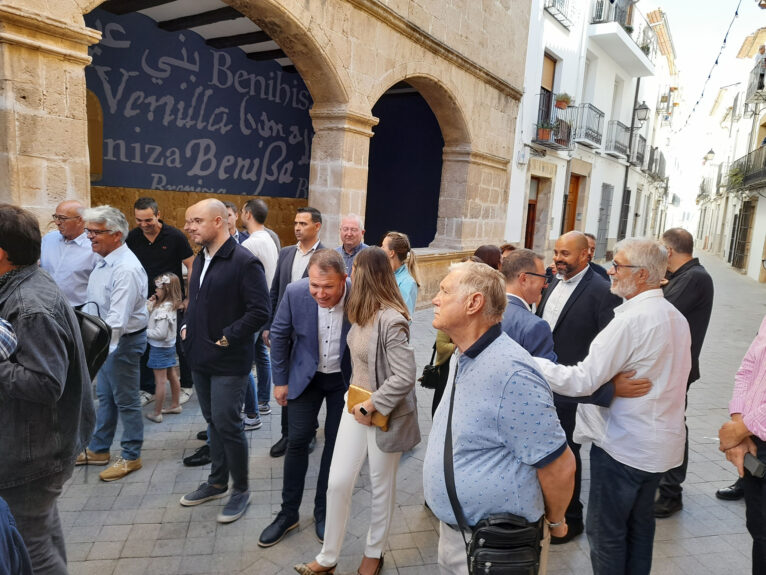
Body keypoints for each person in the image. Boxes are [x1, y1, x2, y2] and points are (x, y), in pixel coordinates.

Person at [534, 238, 691, 575]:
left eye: (618, 266)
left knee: (607, 535)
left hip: (625, 446)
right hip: (656, 445)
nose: (610, 271)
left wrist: (532, 364)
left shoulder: (630, 321)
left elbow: (581, 381)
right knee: (639, 529)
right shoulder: (673, 316)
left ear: (644, 274)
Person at [422, 260, 575, 575]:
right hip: (458, 537)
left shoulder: (512, 373)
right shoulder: (462, 353)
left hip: (498, 548)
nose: (435, 299)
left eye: (444, 291)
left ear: (474, 303)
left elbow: (559, 465)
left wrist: (556, 522)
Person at [294, 247, 419, 575]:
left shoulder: (392, 319)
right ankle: (328, 557)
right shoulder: (360, 311)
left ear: (367, 276)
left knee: (381, 487)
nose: (349, 275)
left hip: (382, 414)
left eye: (354, 271)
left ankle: (373, 554)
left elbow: (405, 376)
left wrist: (372, 403)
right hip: (356, 406)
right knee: (337, 483)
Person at [0, 203, 95, 574]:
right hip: (36, 446)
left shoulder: (30, 305)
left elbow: (45, 383)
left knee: (31, 545)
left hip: (33, 452)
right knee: (41, 532)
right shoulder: (24, 287)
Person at [178, 199, 270, 524]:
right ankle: (217, 482)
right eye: (189, 221)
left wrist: (228, 335)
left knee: (228, 423)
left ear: (219, 222)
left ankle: (241, 489)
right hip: (200, 356)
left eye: (196, 221)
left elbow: (261, 310)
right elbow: (199, 300)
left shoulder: (245, 261)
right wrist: (188, 325)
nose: (189, 227)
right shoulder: (201, 259)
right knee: (212, 421)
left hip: (230, 359)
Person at [258, 250, 352, 549]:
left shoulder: (359, 296)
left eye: (328, 287)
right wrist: (280, 381)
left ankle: (323, 511)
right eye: (315, 286)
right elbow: (280, 334)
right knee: (297, 442)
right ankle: (288, 514)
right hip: (304, 378)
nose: (320, 294)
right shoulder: (295, 292)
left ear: (344, 280)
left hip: (343, 382)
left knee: (335, 447)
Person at [535, 231, 621, 544]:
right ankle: (550, 512)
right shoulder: (553, 280)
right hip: (546, 383)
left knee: (568, 454)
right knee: (548, 452)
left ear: (585, 255)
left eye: (566, 254)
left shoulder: (603, 291)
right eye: (556, 252)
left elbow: (606, 343)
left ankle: (571, 519)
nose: (558, 258)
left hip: (575, 388)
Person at [76, 206, 148, 482]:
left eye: (96, 232)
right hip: (107, 343)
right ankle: (99, 449)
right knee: (106, 396)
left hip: (120, 344)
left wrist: (99, 354)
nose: (90, 237)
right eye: (88, 231)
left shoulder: (126, 269)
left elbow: (117, 321)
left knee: (126, 400)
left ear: (117, 235)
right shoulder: (104, 259)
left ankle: (131, 456)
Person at [654, 228, 714, 517]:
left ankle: (670, 492)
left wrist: (656, 288)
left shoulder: (694, 278)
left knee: (674, 426)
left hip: (677, 369)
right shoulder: (683, 277)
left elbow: (659, 311)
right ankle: (663, 485)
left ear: (669, 251)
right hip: (670, 366)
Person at [265, 206, 325, 458]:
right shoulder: (286, 253)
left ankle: (308, 432)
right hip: (283, 332)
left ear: (317, 226)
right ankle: (287, 434)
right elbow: (276, 291)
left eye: (303, 223)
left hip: (309, 334)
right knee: (284, 382)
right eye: (296, 223)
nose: (298, 228)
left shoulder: (326, 256)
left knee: (307, 384)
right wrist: (269, 325)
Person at [126, 197, 195, 407]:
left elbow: (191, 265)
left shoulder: (174, 236)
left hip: (173, 301)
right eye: (139, 220)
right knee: (145, 344)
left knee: (180, 344)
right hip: (146, 301)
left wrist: (188, 298)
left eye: (148, 220)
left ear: (158, 215)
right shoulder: (134, 237)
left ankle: (187, 385)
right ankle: (148, 389)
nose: (144, 225)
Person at [719, 313, 766, 573]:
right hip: (754, 437)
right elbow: (748, 367)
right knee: (758, 529)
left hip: (755, 431)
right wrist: (740, 425)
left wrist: (742, 429)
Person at [241, 199, 279, 418]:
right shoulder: (269, 238)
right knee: (260, 354)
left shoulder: (250, 244)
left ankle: (252, 412)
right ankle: (263, 401)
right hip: (265, 309)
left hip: (254, 310)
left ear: (247, 214)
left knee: (242, 363)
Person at [40, 199, 100, 307]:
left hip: (77, 312)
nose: (57, 222)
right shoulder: (48, 239)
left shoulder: (94, 248)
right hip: (45, 307)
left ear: (80, 220)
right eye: (56, 217)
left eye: (62, 218)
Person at [144, 273, 183, 423]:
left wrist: (144, 332)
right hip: (169, 346)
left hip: (159, 348)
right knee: (172, 374)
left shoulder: (164, 310)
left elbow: (160, 333)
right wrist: (151, 304)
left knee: (160, 381)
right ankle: (175, 404)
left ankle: (157, 413)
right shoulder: (167, 305)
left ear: (165, 290)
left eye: (158, 288)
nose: (155, 291)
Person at [382, 231, 419, 317]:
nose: (380, 249)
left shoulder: (408, 283)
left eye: (383, 246)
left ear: (391, 253)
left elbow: (403, 317)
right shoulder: (383, 274)